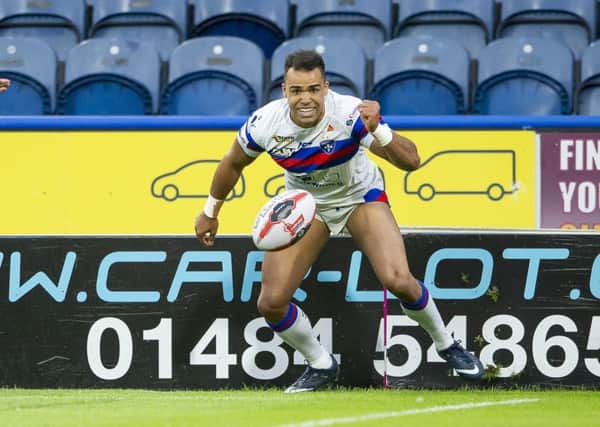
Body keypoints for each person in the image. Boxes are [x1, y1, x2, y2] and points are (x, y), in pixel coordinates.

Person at [194, 50, 484, 392]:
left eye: (313, 89)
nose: (306, 99)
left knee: (398, 279)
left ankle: (447, 344)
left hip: (359, 197)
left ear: (326, 88)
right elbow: (232, 163)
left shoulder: (349, 114)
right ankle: (320, 363)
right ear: (284, 91)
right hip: (307, 207)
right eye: (297, 91)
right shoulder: (264, 123)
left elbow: (412, 161)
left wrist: (380, 130)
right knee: (271, 303)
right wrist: (211, 211)